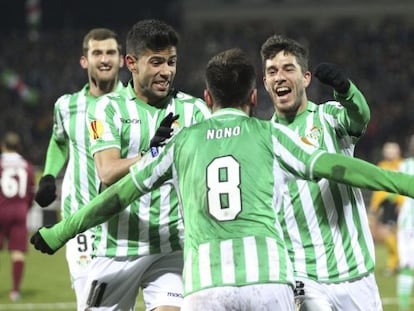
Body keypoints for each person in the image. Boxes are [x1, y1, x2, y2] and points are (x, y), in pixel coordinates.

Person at [30, 47, 414, 310]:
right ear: (253, 97)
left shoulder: (181, 143)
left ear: (207, 99)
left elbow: (115, 197)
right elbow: (338, 167)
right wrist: (406, 185)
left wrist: (60, 231)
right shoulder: (271, 135)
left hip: (206, 285)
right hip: (268, 279)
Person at [80, 19, 211, 311]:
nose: (167, 71)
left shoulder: (194, 110)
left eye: (171, 62)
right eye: (156, 62)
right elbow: (108, 171)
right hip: (117, 249)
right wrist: (154, 153)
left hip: (171, 249)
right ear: (131, 63)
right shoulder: (105, 108)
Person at [261, 34, 382, 310]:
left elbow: (359, 117)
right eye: (272, 71)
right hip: (302, 276)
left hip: (356, 272)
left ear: (305, 78)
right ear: (265, 82)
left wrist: (345, 89)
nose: (279, 77)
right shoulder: (263, 139)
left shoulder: (328, 117)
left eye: (288, 68)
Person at [33, 28, 126, 310]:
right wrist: (49, 174)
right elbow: (59, 140)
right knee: (90, 304)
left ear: (122, 60)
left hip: (127, 222)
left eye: (111, 52)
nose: (105, 59)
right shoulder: (67, 106)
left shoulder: (136, 105)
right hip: (80, 222)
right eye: (97, 53)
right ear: (84, 61)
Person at [0, 131, 35, 302]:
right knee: (17, 253)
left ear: (3, 146)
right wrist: (24, 208)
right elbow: (31, 192)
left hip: (0, 208)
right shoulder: (27, 166)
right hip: (20, 211)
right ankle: (15, 292)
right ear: (18, 147)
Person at [369, 141, 404, 276]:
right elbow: (377, 190)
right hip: (386, 205)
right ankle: (394, 263)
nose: (389, 152)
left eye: (392, 150)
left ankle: (397, 262)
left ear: (398, 152)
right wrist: (374, 207)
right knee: (388, 235)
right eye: (387, 150)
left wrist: (402, 204)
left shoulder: (402, 165)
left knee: (397, 235)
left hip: (398, 205)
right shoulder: (382, 166)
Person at [396, 135, 414, 311]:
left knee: (408, 265)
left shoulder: (405, 165)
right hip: (408, 224)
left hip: (407, 224)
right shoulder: (405, 165)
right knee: (407, 265)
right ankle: (403, 306)